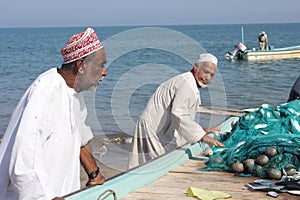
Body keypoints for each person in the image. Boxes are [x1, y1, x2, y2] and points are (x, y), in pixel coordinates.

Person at [0, 27, 107, 200]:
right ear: (81, 66)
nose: (104, 72)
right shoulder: (47, 90)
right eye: (101, 65)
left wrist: (94, 174)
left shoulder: (75, 93)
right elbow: (22, 158)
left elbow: (80, 137)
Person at [128, 53, 225, 169]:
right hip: (152, 129)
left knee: (145, 165)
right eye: (205, 71)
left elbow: (184, 115)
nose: (207, 77)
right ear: (195, 67)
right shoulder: (187, 83)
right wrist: (202, 136)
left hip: (159, 128)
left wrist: (202, 131)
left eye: (212, 75)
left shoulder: (190, 82)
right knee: (157, 166)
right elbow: (179, 114)